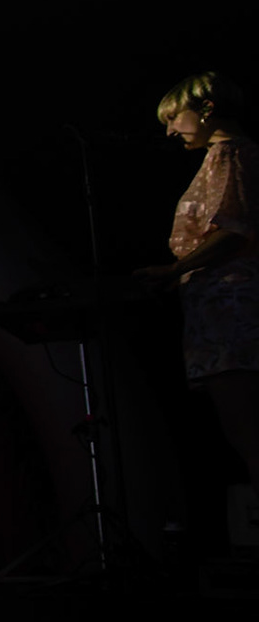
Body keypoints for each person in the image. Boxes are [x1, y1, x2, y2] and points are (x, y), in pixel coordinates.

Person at [136, 72, 259, 509]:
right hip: (218, 308)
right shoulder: (218, 158)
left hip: (233, 307)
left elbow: (232, 230)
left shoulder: (231, 154)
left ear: (206, 110)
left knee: (247, 430)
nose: (170, 130)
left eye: (175, 118)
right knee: (241, 431)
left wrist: (175, 269)